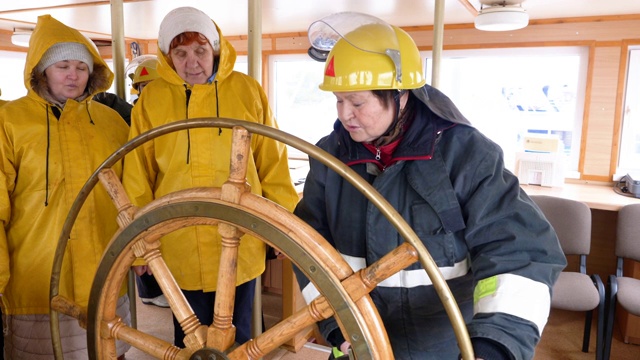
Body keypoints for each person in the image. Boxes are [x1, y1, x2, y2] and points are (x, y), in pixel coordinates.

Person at [294, 12, 566, 360]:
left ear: (400, 95)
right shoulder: (329, 158)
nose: (345, 114)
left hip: (445, 346)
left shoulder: (467, 155)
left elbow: (518, 254)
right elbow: (308, 247)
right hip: (357, 343)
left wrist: (495, 345)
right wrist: (336, 324)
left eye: (358, 102)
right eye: (338, 100)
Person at [122, 6, 299, 347]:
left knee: (242, 339)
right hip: (178, 243)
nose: (192, 63)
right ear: (167, 56)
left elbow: (272, 161)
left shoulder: (247, 91)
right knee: (189, 340)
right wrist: (139, 246)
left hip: (240, 241)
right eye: (181, 53)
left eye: (200, 51)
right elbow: (136, 177)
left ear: (215, 49)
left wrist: (282, 226)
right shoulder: (151, 101)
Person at [0, 15, 131, 359]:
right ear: (42, 70)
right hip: (38, 275)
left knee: (108, 352)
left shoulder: (112, 123)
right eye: (62, 66)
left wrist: (140, 249)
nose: (73, 75)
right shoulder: (10, 123)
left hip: (106, 270)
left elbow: (134, 193)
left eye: (81, 67)